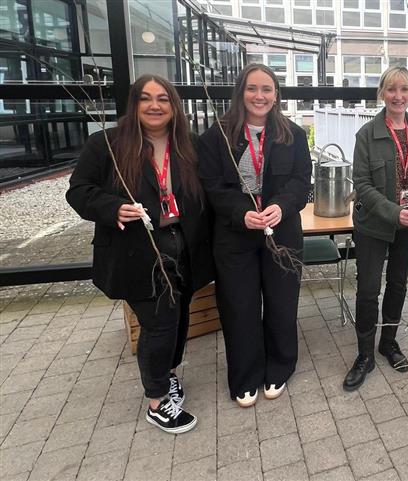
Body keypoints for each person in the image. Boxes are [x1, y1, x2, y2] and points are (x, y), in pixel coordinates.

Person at [66, 75, 213, 434]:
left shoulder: (188, 145)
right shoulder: (108, 145)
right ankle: (157, 400)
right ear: (133, 104)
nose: (154, 105)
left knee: (178, 318)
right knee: (159, 323)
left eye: (163, 98)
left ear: (173, 105)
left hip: (183, 247)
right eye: (146, 98)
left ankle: (167, 375)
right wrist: (112, 207)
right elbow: (79, 192)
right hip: (138, 252)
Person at [198, 64, 311, 407]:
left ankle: (280, 365)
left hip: (282, 234)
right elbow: (211, 186)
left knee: (281, 302)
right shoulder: (216, 136)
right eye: (252, 89)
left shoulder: (292, 134)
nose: (259, 96)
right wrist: (239, 212)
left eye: (267, 89)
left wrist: (281, 206)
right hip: (235, 237)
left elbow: (301, 182)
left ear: (276, 94)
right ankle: (245, 375)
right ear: (240, 92)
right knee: (239, 306)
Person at [343, 66, 408, 391]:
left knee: (398, 284)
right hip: (374, 225)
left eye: (404, 89)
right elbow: (363, 185)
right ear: (382, 93)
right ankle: (363, 355)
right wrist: (395, 212)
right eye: (391, 89)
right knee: (369, 289)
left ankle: (388, 342)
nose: (398, 96)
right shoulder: (366, 135)